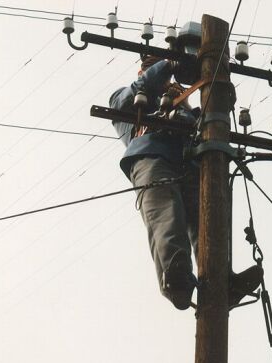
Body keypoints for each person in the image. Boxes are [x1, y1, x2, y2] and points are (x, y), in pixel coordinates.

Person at [109, 55, 262, 310]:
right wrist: (169, 64)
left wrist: (216, 99)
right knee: (167, 215)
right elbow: (132, 95)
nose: (169, 82)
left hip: (192, 163)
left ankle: (222, 281)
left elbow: (208, 126)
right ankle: (176, 278)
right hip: (153, 157)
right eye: (158, 73)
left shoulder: (186, 109)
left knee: (209, 219)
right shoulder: (127, 97)